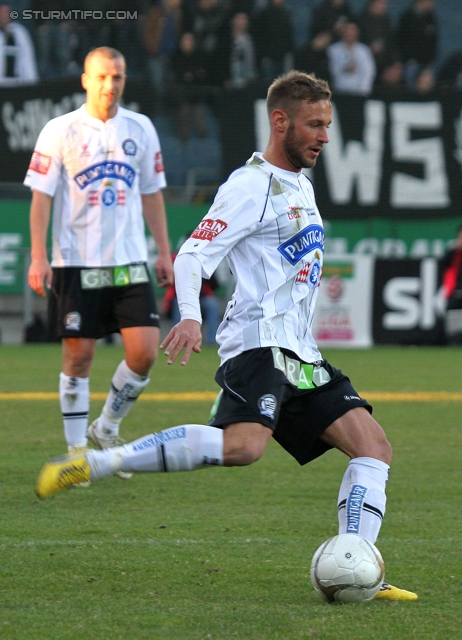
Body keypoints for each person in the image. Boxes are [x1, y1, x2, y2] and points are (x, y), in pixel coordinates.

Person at [35, 70, 417, 601]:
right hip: (259, 344)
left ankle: (357, 564)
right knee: (243, 447)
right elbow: (193, 254)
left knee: (373, 447)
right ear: (279, 121)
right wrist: (189, 315)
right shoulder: (249, 186)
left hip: (301, 353)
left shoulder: (301, 185)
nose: (324, 137)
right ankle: (95, 462)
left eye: (327, 125)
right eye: (314, 125)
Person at [25, 47, 173, 479]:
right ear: (86, 80)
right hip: (75, 263)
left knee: (144, 353)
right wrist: (38, 256)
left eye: (119, 77)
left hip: (129, 261)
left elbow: (151, 192)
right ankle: (75, 451)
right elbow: (41, 197)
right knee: (79, 358)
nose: (111, 85)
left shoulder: (141, 128)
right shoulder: (60, 130)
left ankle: (107, 426)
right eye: (104, 77)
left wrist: (163, 251)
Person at [327, 21, 376, 96]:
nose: (350, 33)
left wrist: (363, 92)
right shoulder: (333, 50)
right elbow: (331, 70)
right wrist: (344, 69)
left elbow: (369, 72)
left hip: (359, 93)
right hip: (338, 91)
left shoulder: (364, 50)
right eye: (348, 30)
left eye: (353, 30)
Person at [0, 2, 38, 86]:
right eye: (1, 13)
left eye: (6, 13)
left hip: (16, 84)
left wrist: (32, 82)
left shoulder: (19, 32)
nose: (4, 16)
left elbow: (27, 58)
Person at [442, 224, 462, 345]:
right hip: (456, 289)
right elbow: (446, 266)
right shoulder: (453, 252)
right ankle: (453, 341)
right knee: (451, 313)